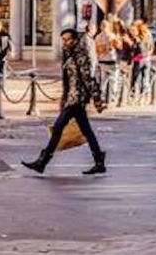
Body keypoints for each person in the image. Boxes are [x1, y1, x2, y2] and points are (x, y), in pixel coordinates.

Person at [21, 28, 106, 175]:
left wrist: (97, 99)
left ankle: (42, 162)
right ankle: (99, 161)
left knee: (58, 128)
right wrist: (64, 98)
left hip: (77, 99)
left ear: (75, 40)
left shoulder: (80, 57)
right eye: (63, 39)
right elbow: (68, 81)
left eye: (68, 39)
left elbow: (88, 79)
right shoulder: (69, 56)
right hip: (71, 98)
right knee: (86, 131)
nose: (65, 42)